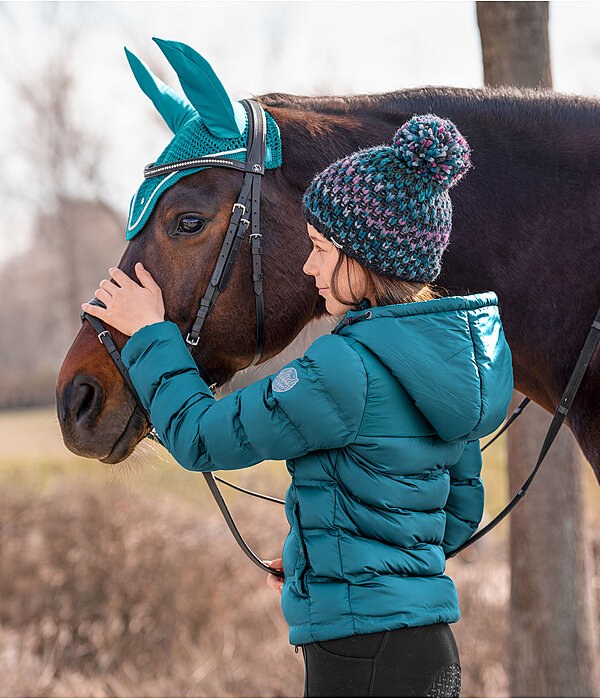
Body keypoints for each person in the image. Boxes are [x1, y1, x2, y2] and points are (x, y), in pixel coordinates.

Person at [81, 114, 514, 697]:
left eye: (318, 249)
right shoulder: (454, 365)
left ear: (361, 258)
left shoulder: (344, 368)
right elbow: (455, 514)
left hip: (357, 658)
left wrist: (151, 334)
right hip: (431, 651)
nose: (309, 269)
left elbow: (201, 436)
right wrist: (330, 554)